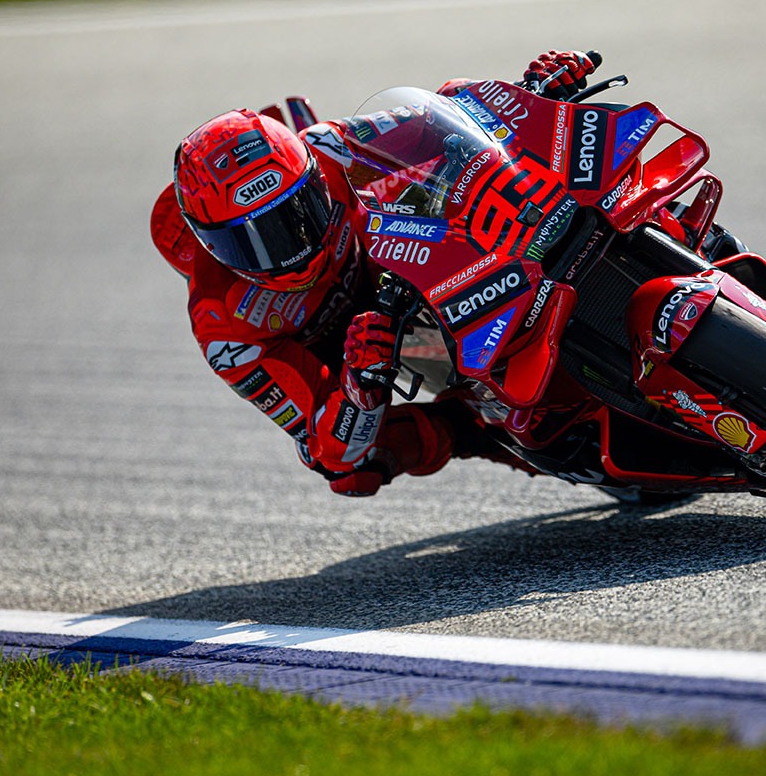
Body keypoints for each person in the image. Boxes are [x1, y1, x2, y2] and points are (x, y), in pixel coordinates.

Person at [148, 51, 598, 497]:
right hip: (353, 356)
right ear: (209, 245)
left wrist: (527, 93)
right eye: (251, 242)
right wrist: (360, 386)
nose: (291, 250)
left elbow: (442, 115)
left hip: (404, 267)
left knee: (476, 175)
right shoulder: (223, 325)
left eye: (298, 213)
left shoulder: (328, 146)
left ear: (313, 178)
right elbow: (329, 447)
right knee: (351, 473)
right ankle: (481, 433)